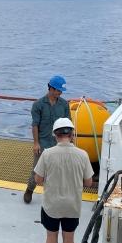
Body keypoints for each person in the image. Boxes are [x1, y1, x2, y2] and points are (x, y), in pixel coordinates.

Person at [34, 117, 94, 243]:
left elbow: (38, 179)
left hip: (51, 205)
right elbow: (89, 182)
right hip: (72, 205)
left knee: (51, 235)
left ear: (55, 135)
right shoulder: (82, 155)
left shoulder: (47, 154)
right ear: (72, 134)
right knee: (69, 237)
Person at [24, 75, 70, 204]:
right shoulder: (38, 105)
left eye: (61, 91)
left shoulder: (64, 104)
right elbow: (35, 125)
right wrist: (36, 143)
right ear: (51, 88)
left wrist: (70, 142)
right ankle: (29, 189)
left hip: (59, 143)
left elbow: (67, 123)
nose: (60, 93)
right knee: (36, 169)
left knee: (58, 170)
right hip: (43, 142)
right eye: (58, 90)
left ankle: (54, 194)